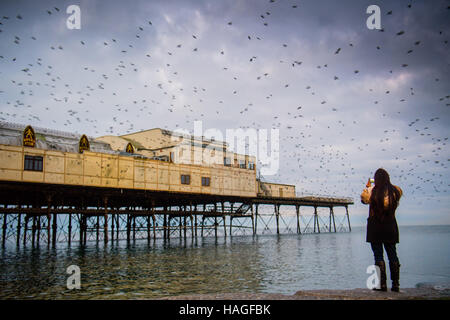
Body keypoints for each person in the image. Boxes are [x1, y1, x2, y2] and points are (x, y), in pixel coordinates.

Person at [361, 168, 403, 292]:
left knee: (378, 255)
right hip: (390, 226)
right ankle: (395, 285)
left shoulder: (371, 191)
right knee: (392, 254)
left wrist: (368, 186)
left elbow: (364, 200)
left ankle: (381, 285)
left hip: (375, 227)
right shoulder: (395, 191)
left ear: (376, 179)